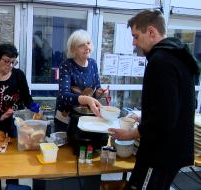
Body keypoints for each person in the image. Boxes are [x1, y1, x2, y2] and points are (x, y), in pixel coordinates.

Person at [109, 10, 200, 190]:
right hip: (174, 151)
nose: (134, 42)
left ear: (151, 32)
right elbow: (175, 107)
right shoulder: (179, 56)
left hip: (160, 155)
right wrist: (144, 118)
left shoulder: (161, 61)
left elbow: (164, 119)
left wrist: (129, 134)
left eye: (136, 36)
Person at [0, 43, 39, 190]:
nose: (10, 65)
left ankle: (12, 188)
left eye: (13, 62)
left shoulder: (19, 75)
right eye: (6, 61)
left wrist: (34, 107)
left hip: (14, 126)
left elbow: (26, 98)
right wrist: (0, 115)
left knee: (13, 163)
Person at [55, 29, 108, 132]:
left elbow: (96, 90)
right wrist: (86, 99)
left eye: (88, 43)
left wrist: (100, 92)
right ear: (73, 49)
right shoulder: (66, 65)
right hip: (66, 117)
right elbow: (63, 95)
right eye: (81, 45)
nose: (87, 47)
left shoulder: (93, 63)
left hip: (87, 116)